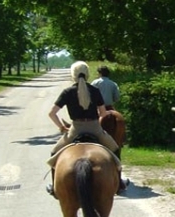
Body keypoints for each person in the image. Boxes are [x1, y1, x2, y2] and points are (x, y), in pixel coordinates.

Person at [46, 61, 126, 195]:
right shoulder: (95, 91)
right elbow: (103, 113)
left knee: (54, 153)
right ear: (88, 74)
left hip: (75, 129)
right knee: (115, 149)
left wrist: (61, 127)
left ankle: (55, 187)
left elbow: (52, 113)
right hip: (95, 128)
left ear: (73, 75)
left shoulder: (67, 91)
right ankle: (119, 183)